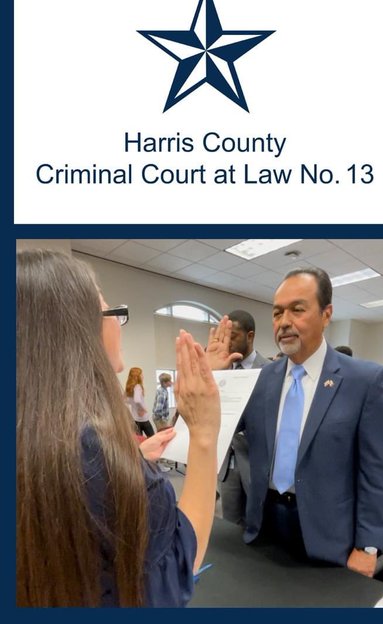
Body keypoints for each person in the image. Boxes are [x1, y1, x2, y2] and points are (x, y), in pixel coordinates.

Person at [16, 250, 221, 606]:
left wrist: (132, 459)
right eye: (111, 312)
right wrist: (204, 434)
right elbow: (178, 566)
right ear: (79, 330)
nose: (117, 323)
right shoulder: (96, 454)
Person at [206, 267, 383, 577]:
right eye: (278, 313)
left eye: (297, 309)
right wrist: (215, 378)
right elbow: (215, 428)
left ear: (326, 314)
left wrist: (368, 547)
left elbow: (377, 473)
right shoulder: (261, 380)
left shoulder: (364, 381)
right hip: (264, 528)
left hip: (328, 538)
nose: (284, 322)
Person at [218, 310, 271, 525]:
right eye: (225, 336)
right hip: (227, 462)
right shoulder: (222, 370)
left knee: (259, 522)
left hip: (256, 461)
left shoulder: (270, 371)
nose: (227, 342)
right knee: (230, 523)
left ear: (250, 336)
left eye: (233, 336)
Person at [125, 366, 156, 439]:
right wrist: (142, 409)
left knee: (139, 440)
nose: (143, 376)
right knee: (152, 438)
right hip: (143, 419)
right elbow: (137, 400)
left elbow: (126, 400)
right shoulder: (138, 386)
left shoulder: (129, 388)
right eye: (141, 374)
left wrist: (135, 406)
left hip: (135, 419)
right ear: (137, 376)